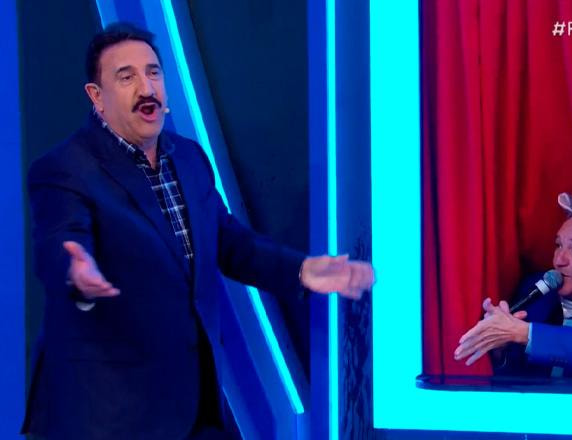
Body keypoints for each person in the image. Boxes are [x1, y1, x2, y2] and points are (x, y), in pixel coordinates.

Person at [22, 23, 374, 439]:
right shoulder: (66, 168)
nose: (146, 88)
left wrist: (300, 270)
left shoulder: (187, 158)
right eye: (126, 77)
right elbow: (61, 241)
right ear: (96, 97)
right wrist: (76, 274)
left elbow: (227, 240)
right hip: (104, 415)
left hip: (192, 404)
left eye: (153, 73)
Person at [454, 192, 572, 377]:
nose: (559, 261)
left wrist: (524, 333)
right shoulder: (536, 293)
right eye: (558, 245)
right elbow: (516, 377)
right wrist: (500, 351)